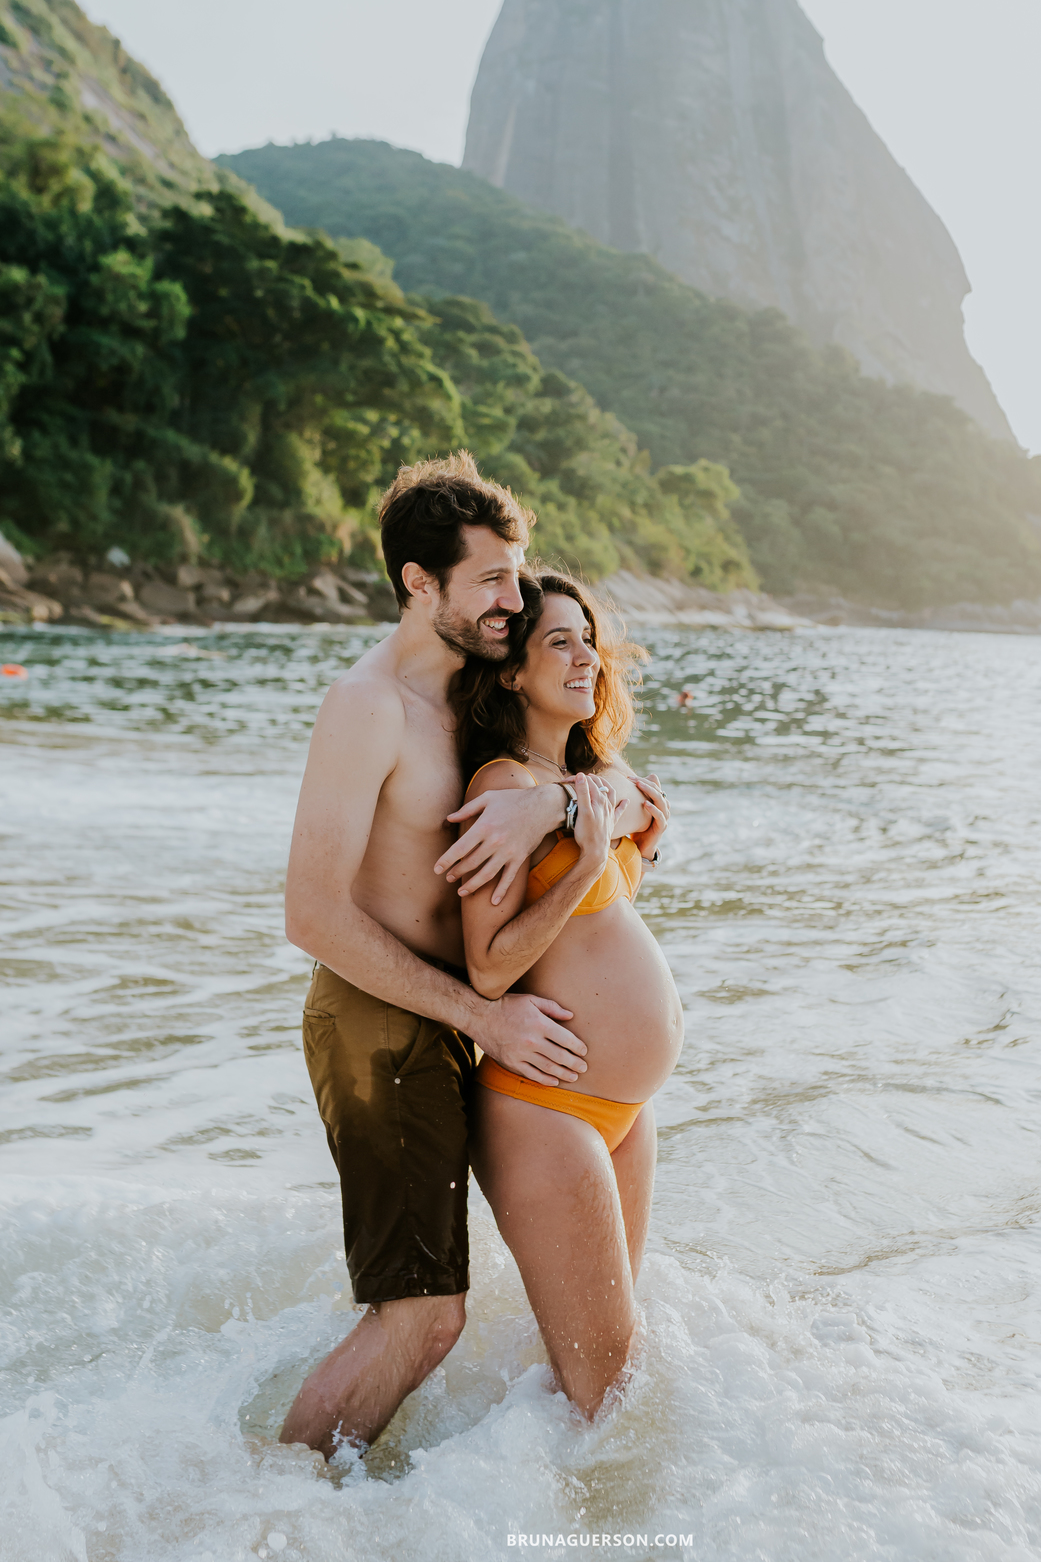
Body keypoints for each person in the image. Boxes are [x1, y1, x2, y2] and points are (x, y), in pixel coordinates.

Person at [279, 455, 595, 1460]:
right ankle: (265, 1502)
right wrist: (485, 1016)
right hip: (379, 1023)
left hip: (454, 1021)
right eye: (491, 578)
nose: (516, 598)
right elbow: (310, 914)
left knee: (432, 1307)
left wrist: (558, 804)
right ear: (420, 582)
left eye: (518, 573)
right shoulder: (366, 706)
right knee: (423, 1317)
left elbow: (610, 774)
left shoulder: (481, 691)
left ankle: (350, 1494)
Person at [455, 570, 682, 1418]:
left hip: (622, 1112)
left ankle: (527, 1473)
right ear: (513, 672)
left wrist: (631, 850)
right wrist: (587, 863)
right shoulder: (501, 791)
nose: (587, 656)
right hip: (547, 1109)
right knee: (608, 1390)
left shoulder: (583, 779)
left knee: (602, 1374)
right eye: (560, 641)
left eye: (588, 639)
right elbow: (489, 967)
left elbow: (594, 931)